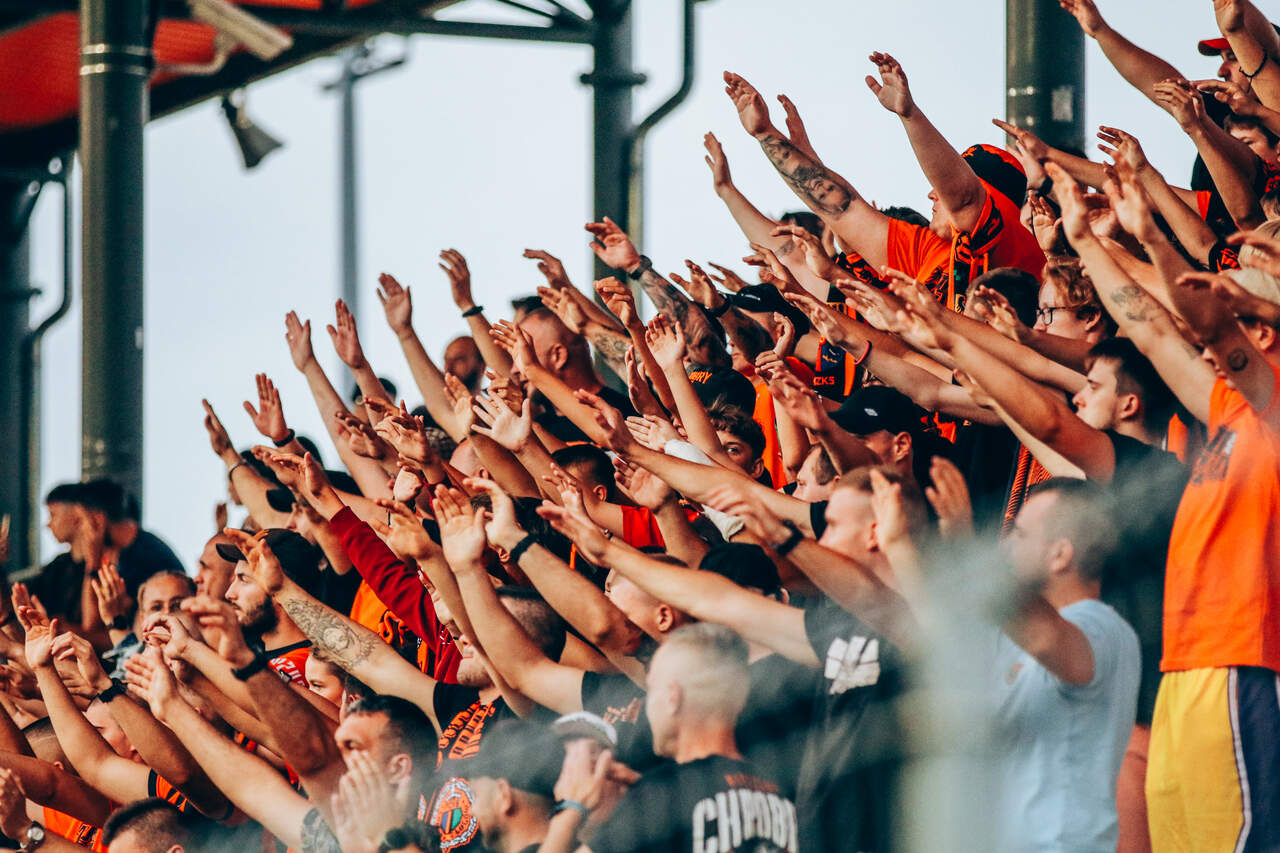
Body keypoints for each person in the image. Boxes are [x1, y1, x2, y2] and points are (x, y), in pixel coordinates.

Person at [546, 624, 799, 853]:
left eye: (652, 689)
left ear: (672, 697)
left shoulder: (663, 795)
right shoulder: (782, 797)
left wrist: (571, 807)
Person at [995, 478, 1141, 852]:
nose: (1006, 546)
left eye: (1020, 535)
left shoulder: (1103, 627)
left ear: (1060, 555)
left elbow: (1046, 638)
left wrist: (961, 542)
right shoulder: (1013, 633)